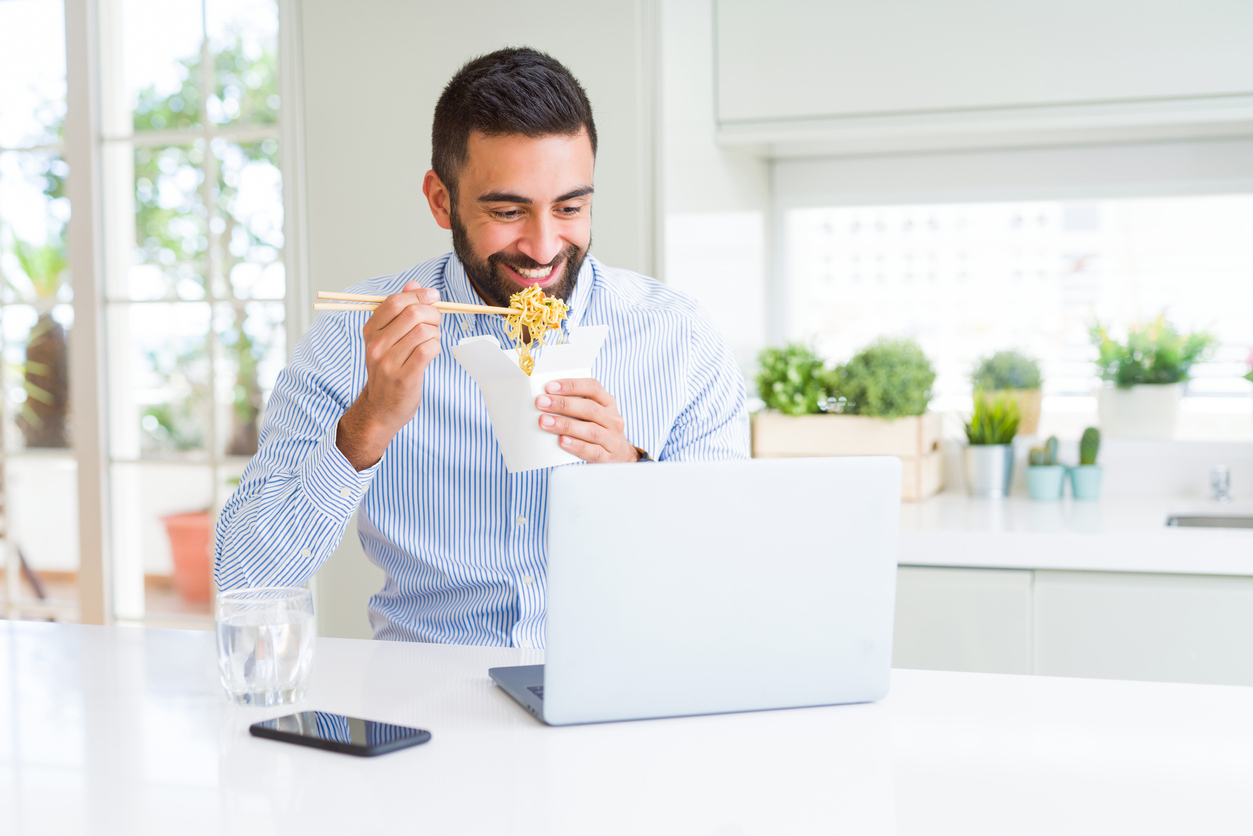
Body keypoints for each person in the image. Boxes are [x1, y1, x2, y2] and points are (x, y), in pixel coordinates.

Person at [214, 47, 748, 646]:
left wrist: (629, 473)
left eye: (570, 208)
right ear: (442, 200)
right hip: (425, 698)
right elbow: (242, 576)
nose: (544, 248)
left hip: (618, 687)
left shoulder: (678, 336)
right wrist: (367, 426)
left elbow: (729, 568)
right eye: (508, 210)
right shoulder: (355, 336)